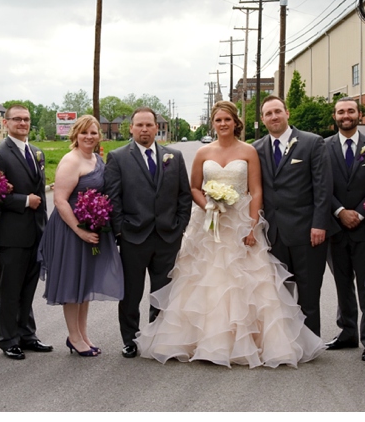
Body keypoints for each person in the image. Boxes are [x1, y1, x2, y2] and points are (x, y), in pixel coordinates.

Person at [136, 101, 325, 367]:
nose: (223, 124)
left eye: (227, 119)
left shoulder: (249, 151)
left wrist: (251, 226)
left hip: (240, 222)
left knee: (248, 282)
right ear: (212, 123)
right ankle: (205, 341)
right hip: (210, 225)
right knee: (206, 280)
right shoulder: (203, 152)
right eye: (218, 120)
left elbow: (256, 191)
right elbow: (193, 188)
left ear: (236, 122)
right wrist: (210, 205)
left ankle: (252, 342)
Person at [104, 107, 192, 358]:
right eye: (139, 125)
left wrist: (180, 226)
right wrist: (121, 231)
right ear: (131, 128)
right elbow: (113, 198)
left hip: (167, 237)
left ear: (157, 127)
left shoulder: (173, 156)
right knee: (131, 293)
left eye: (149, 125)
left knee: (163, 291)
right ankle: (131, 340)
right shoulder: (118, 157)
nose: (144, 129)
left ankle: (159, 337)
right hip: (133, 237)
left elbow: (183, 195)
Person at [38, 115, 123, 356]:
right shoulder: (71, 160)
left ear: (99, 136)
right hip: (70, 229)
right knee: (72, 283)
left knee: (84, 283)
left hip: (90, 226)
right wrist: (79, 230)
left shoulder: (97, 158)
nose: (89, 137)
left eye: (93, 133)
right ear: (75, 135)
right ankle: (74, 337)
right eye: (84, 132)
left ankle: (83, 334)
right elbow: (60, 200)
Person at [253, 95, 336, 336]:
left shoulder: (312, 143)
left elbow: (323, 187)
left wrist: (319, 224)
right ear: (263, 119)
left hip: (307, 231)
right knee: (279, 292)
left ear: (287, 113)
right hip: (273, 233)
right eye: (268, 113)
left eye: (277, 111)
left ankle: (310, 342)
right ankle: (285, 341)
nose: (274, 117)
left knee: (309, 291)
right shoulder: (257, 149)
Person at [0, 105, 52, 360]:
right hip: (12, 233)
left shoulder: (37, 152)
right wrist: (24, 201)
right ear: (6, 122)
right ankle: (8, 339)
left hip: (36, 231)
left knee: (28, 287)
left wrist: (45, 229)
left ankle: (26, 334)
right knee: (10, 288)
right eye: (17, 119)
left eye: (26, 119)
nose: (22, 123)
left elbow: (42, 197)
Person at [324, 98, 365, 362]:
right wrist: (339, 211)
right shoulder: (322, 148)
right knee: (342, 285)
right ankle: (347, 332)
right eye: (341, 111)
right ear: (335, 116)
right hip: (335, 228)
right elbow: (320, 185)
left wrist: (360, 212)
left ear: (360, 115)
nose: (346, 115)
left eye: (351, 111)